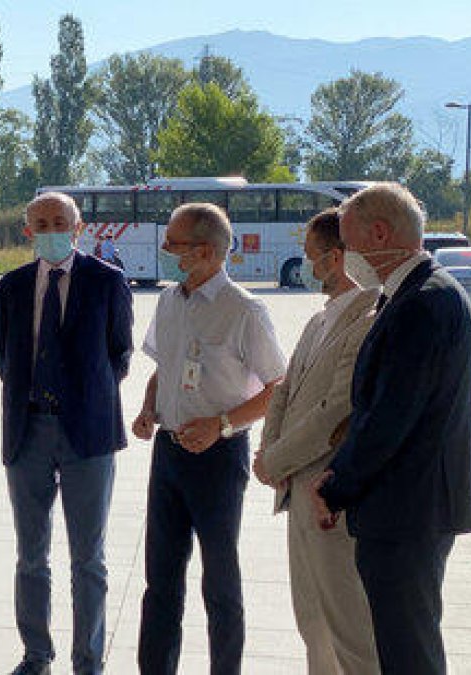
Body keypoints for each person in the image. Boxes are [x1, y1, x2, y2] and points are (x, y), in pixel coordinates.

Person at [312, 183, 471, 674]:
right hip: (407, 507)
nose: (345, 259)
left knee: (409, 652)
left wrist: (337, 485)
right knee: (403, 644)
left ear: (380, 233)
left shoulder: (423, 302)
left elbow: (390, 415)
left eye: (347, 243)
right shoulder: (414, 294)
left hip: (408, 510)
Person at [132, 202, 287, 675]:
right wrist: (147, 408)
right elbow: (167, 364)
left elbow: (278, 388)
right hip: (170, 454)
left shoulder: (243, 310)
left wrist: (221, 425)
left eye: (172, 243)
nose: (163, 249)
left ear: (203, 251)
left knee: (219, 584)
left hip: (220, 457)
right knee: (160, 581)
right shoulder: (169, 300)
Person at [0, 192, 134, 675]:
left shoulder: (107, 282)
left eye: (60, 222)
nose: (50, 230)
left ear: (77, 229)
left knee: (88, 559)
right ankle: (36, 655)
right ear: (27, 230)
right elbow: (3, 361)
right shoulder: (11, 287)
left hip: (88, 437)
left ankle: (87, 661)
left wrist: (84, 398)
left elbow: (119, 355)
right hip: (27, 431)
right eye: (41, 223)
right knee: (31, 555)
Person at [254, 209, 380, 674]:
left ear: (338, 256)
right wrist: (269, 453)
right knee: (313, 624)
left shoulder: (368, 319)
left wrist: (277, 458)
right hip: (296, 490)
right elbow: (285, 390)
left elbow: (336, 411)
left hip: (330, 496)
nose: (308, 266)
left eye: (313, 257)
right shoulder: (319, 319)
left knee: (349, 628)